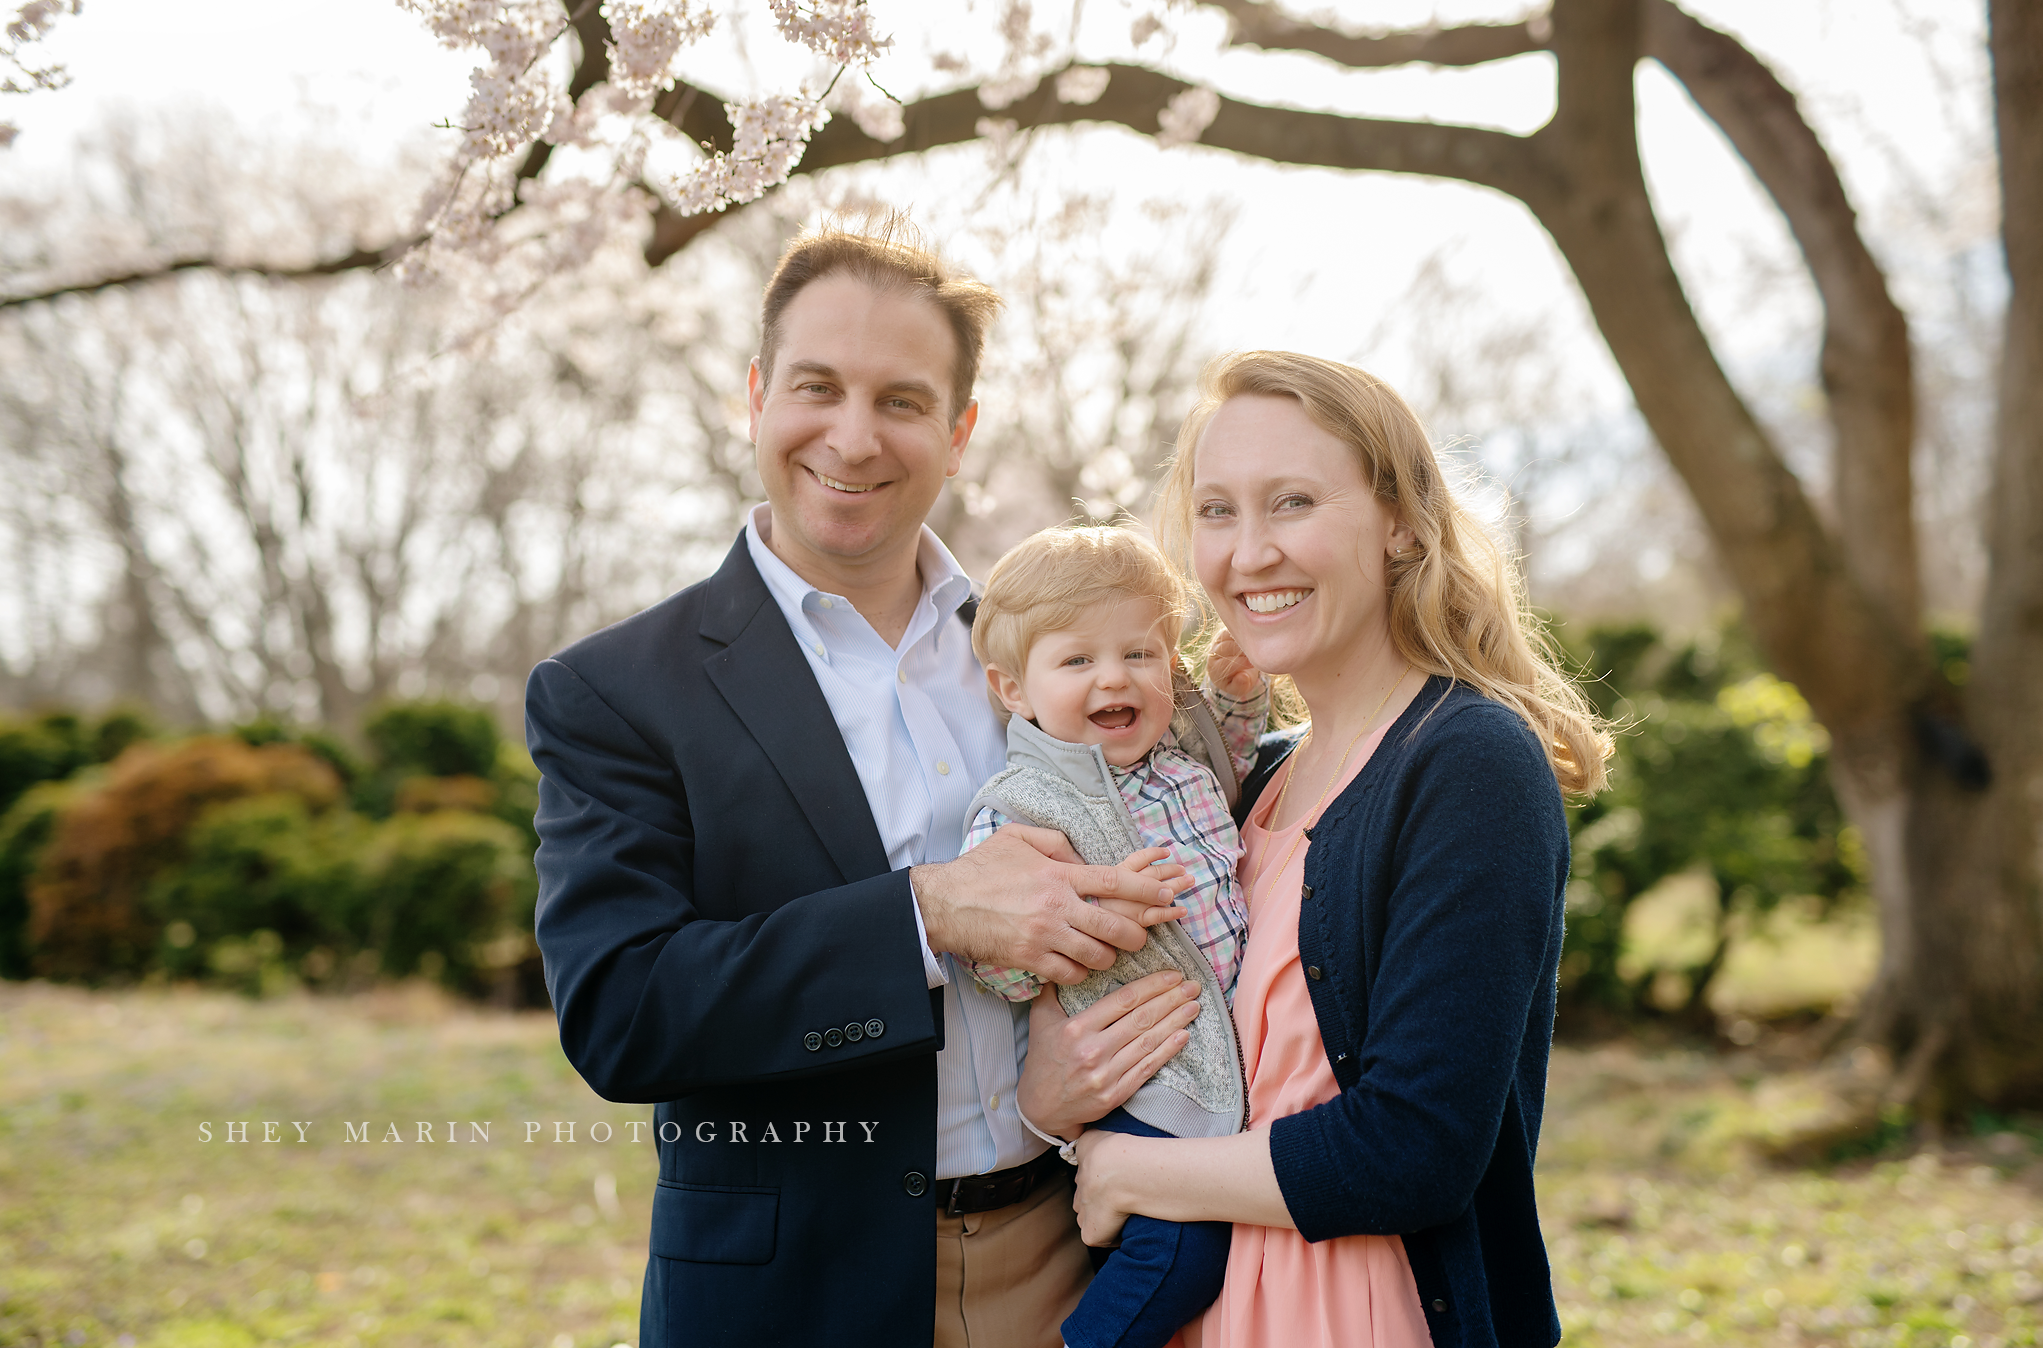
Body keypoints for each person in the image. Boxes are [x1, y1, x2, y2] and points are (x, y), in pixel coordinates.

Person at [524, 217, 1202, 1348]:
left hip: (1080, 1255)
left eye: (899, 400)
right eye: (816, 387)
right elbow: (623, 1014)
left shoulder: (1049, 662)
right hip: (798, 1295)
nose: (851, 436)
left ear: (958, 430)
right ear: (754, 395)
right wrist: (926, 915)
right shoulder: (616, 692)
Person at [1059, 351, 1613, 1348]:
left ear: (1399, 520)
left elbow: (1415, 1146)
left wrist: (1131, 1173)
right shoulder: (1255, 780)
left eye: (1292, 503)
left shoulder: (1465, 762)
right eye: (1217, 512)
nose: (1247, 553)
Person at [954, 525, 1267, 1348]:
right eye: (1078, 660)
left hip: (1228, 1055)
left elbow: (1230, 779)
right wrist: (1093, 927)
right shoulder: (1020, 806)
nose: (1114, 677)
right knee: (1179, 1253)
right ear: (1013, 688)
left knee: (1224, 1253)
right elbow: (998, 966)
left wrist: (1236, 698)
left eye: (1140, 653)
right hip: (1144, 1077)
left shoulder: (1175, 758)